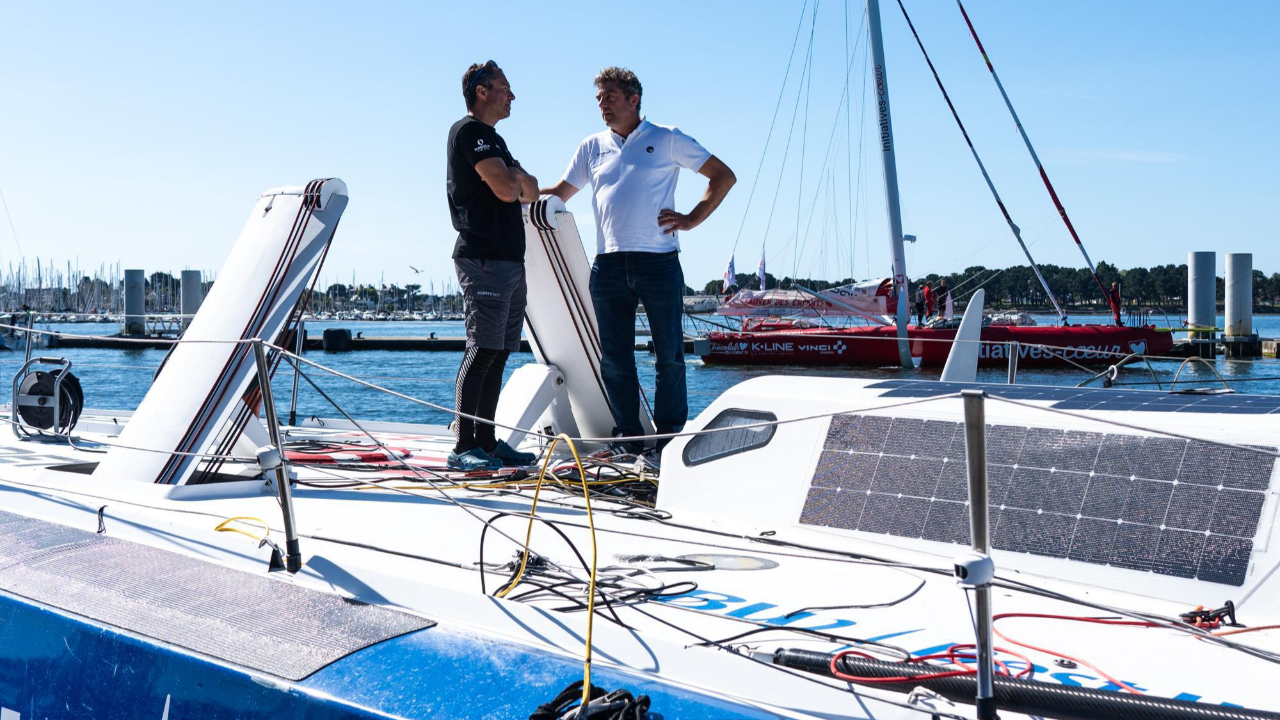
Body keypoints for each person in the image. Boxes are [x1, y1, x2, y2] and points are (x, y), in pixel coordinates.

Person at [542, 67, 736, 456]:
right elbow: (560, 193)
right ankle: (627, 438)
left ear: (633, 99)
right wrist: (510, 190)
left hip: (659, 262)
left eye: (610, 96)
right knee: (615, 359)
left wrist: (691, 219)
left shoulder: (666, 138)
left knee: (669, 356)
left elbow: (723, 176)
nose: (602, 104)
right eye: (599, 98)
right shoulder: (591, 147)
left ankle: (668, 441)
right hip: (609, 266)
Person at [445, 60, 539, 471]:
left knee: (499, 352)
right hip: (482, 258)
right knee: (482, 348)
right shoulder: (470, 132)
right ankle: (462, 447)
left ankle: (485, 442)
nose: (512, 96)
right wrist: (513, 178)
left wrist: (514, 177)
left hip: (509, 260)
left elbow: (531, 191)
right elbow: (506, 189)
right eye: (505, 88)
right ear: (482, 92)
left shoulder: (495, 141)